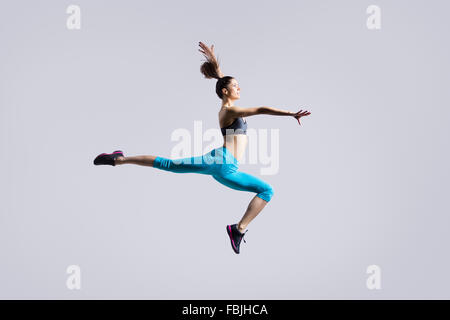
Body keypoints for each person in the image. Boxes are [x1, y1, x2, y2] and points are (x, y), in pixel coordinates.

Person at [94, 41, 311, 254]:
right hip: (221, 162)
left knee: (172, 166)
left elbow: (223, 81)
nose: (239, 88)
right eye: (236, 86)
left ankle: (120, 160)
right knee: (266, 190)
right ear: (225, 91)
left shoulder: (230, 106)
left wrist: (215, 64)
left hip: (226, 167)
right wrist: (290, 113)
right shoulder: (228, 111)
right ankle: (238, 229)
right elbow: (261, 109)